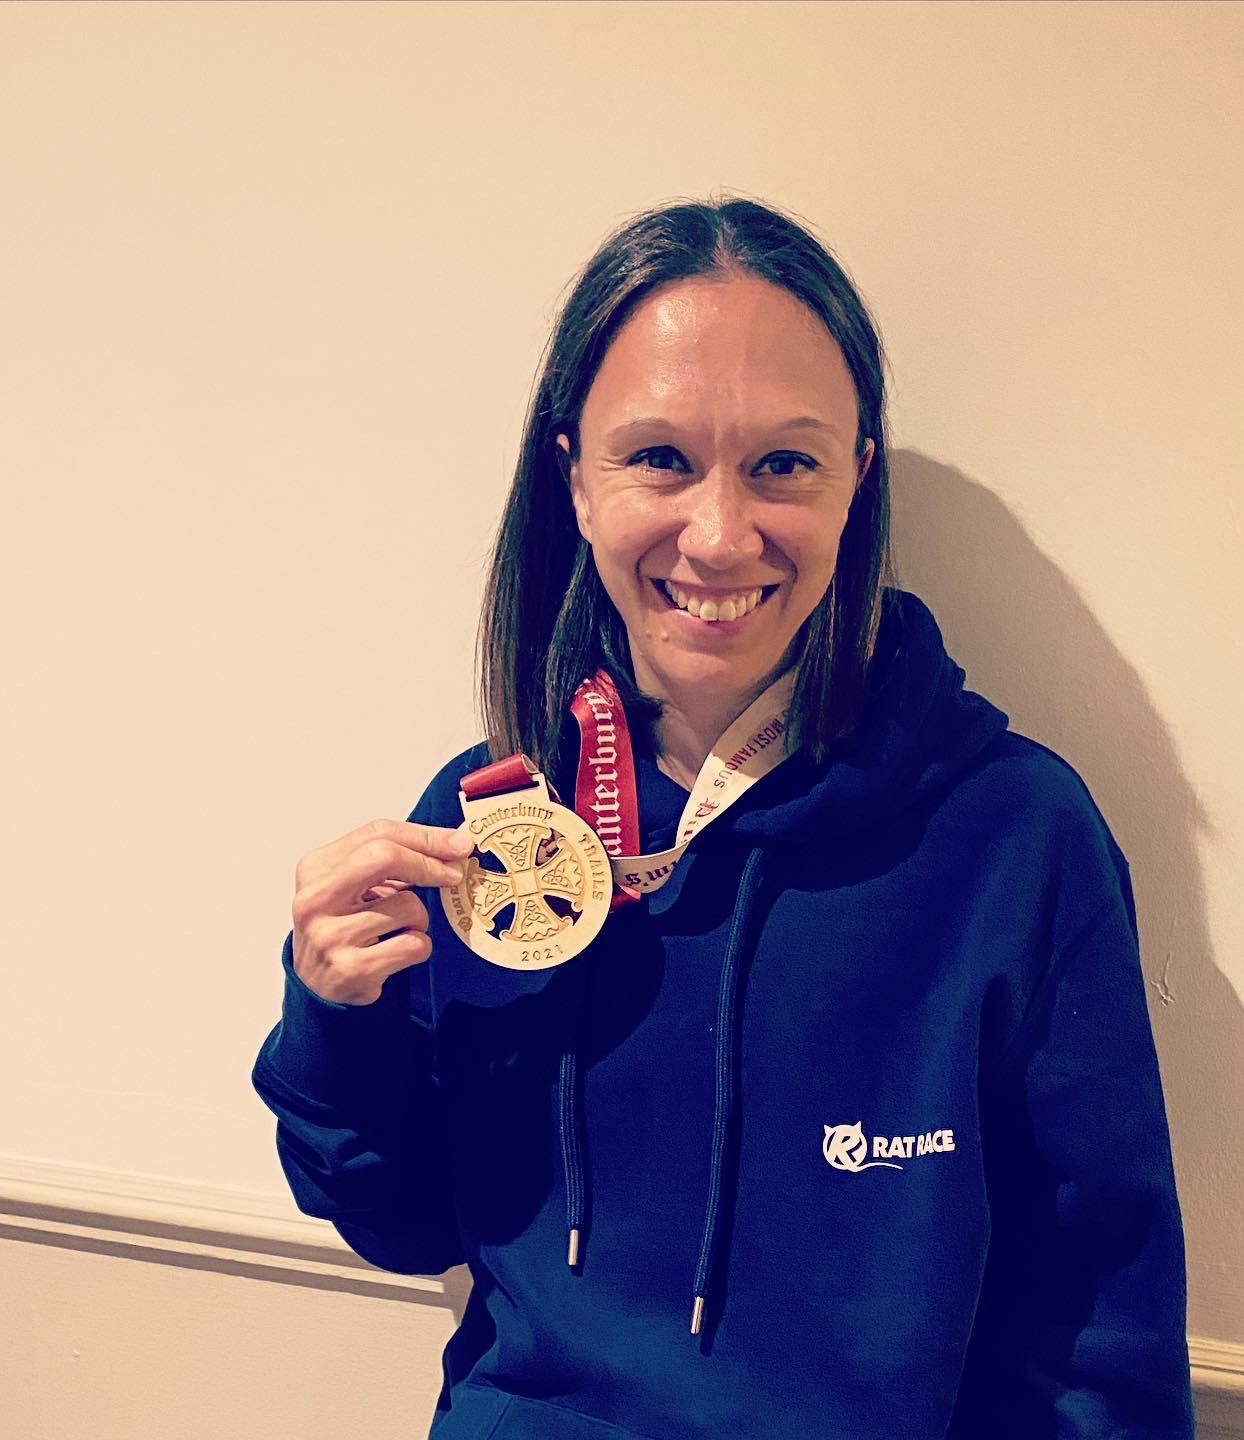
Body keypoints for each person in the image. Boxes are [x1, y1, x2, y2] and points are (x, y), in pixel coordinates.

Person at [252, 196, 1194, 1439]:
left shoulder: (1014, 838)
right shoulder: (490, 831)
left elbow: (1100, 1322)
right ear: (574, 482)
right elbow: (401, 1224)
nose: (718, 535)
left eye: (783, 465)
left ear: (856, 482)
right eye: (658, 457)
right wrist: (336, 1019)